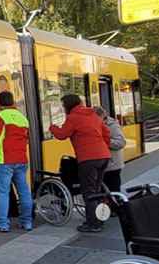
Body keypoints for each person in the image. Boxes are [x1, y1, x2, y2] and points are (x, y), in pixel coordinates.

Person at [50, 94, 111, 232]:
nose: (63, 109)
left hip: (88, 158)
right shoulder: (93, 115)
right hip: (103, 156)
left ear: (68, 106)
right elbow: (107, 133)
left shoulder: (73, 117)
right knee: (96, 189)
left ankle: (93, 223)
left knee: (88, 191)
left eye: (63, 106)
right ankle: (100, 219)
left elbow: (62, 134)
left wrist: (52, 128)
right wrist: (103, 148)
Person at [0, 91, 32, 232]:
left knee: (2, 192)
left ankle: (2, 224)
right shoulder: (23, 118)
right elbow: (26, 140)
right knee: (24, 191)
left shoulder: (0, 117)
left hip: (4, 161)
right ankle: (26, 222)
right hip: (22, 160)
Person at [95, 106, 127, 192]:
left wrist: (104, 141)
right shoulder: (96, 125)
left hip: (112, 165)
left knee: (113, 190)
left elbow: (121, 142)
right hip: (102, 164)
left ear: (101, 116)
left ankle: (115, 204)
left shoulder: (112, 125)